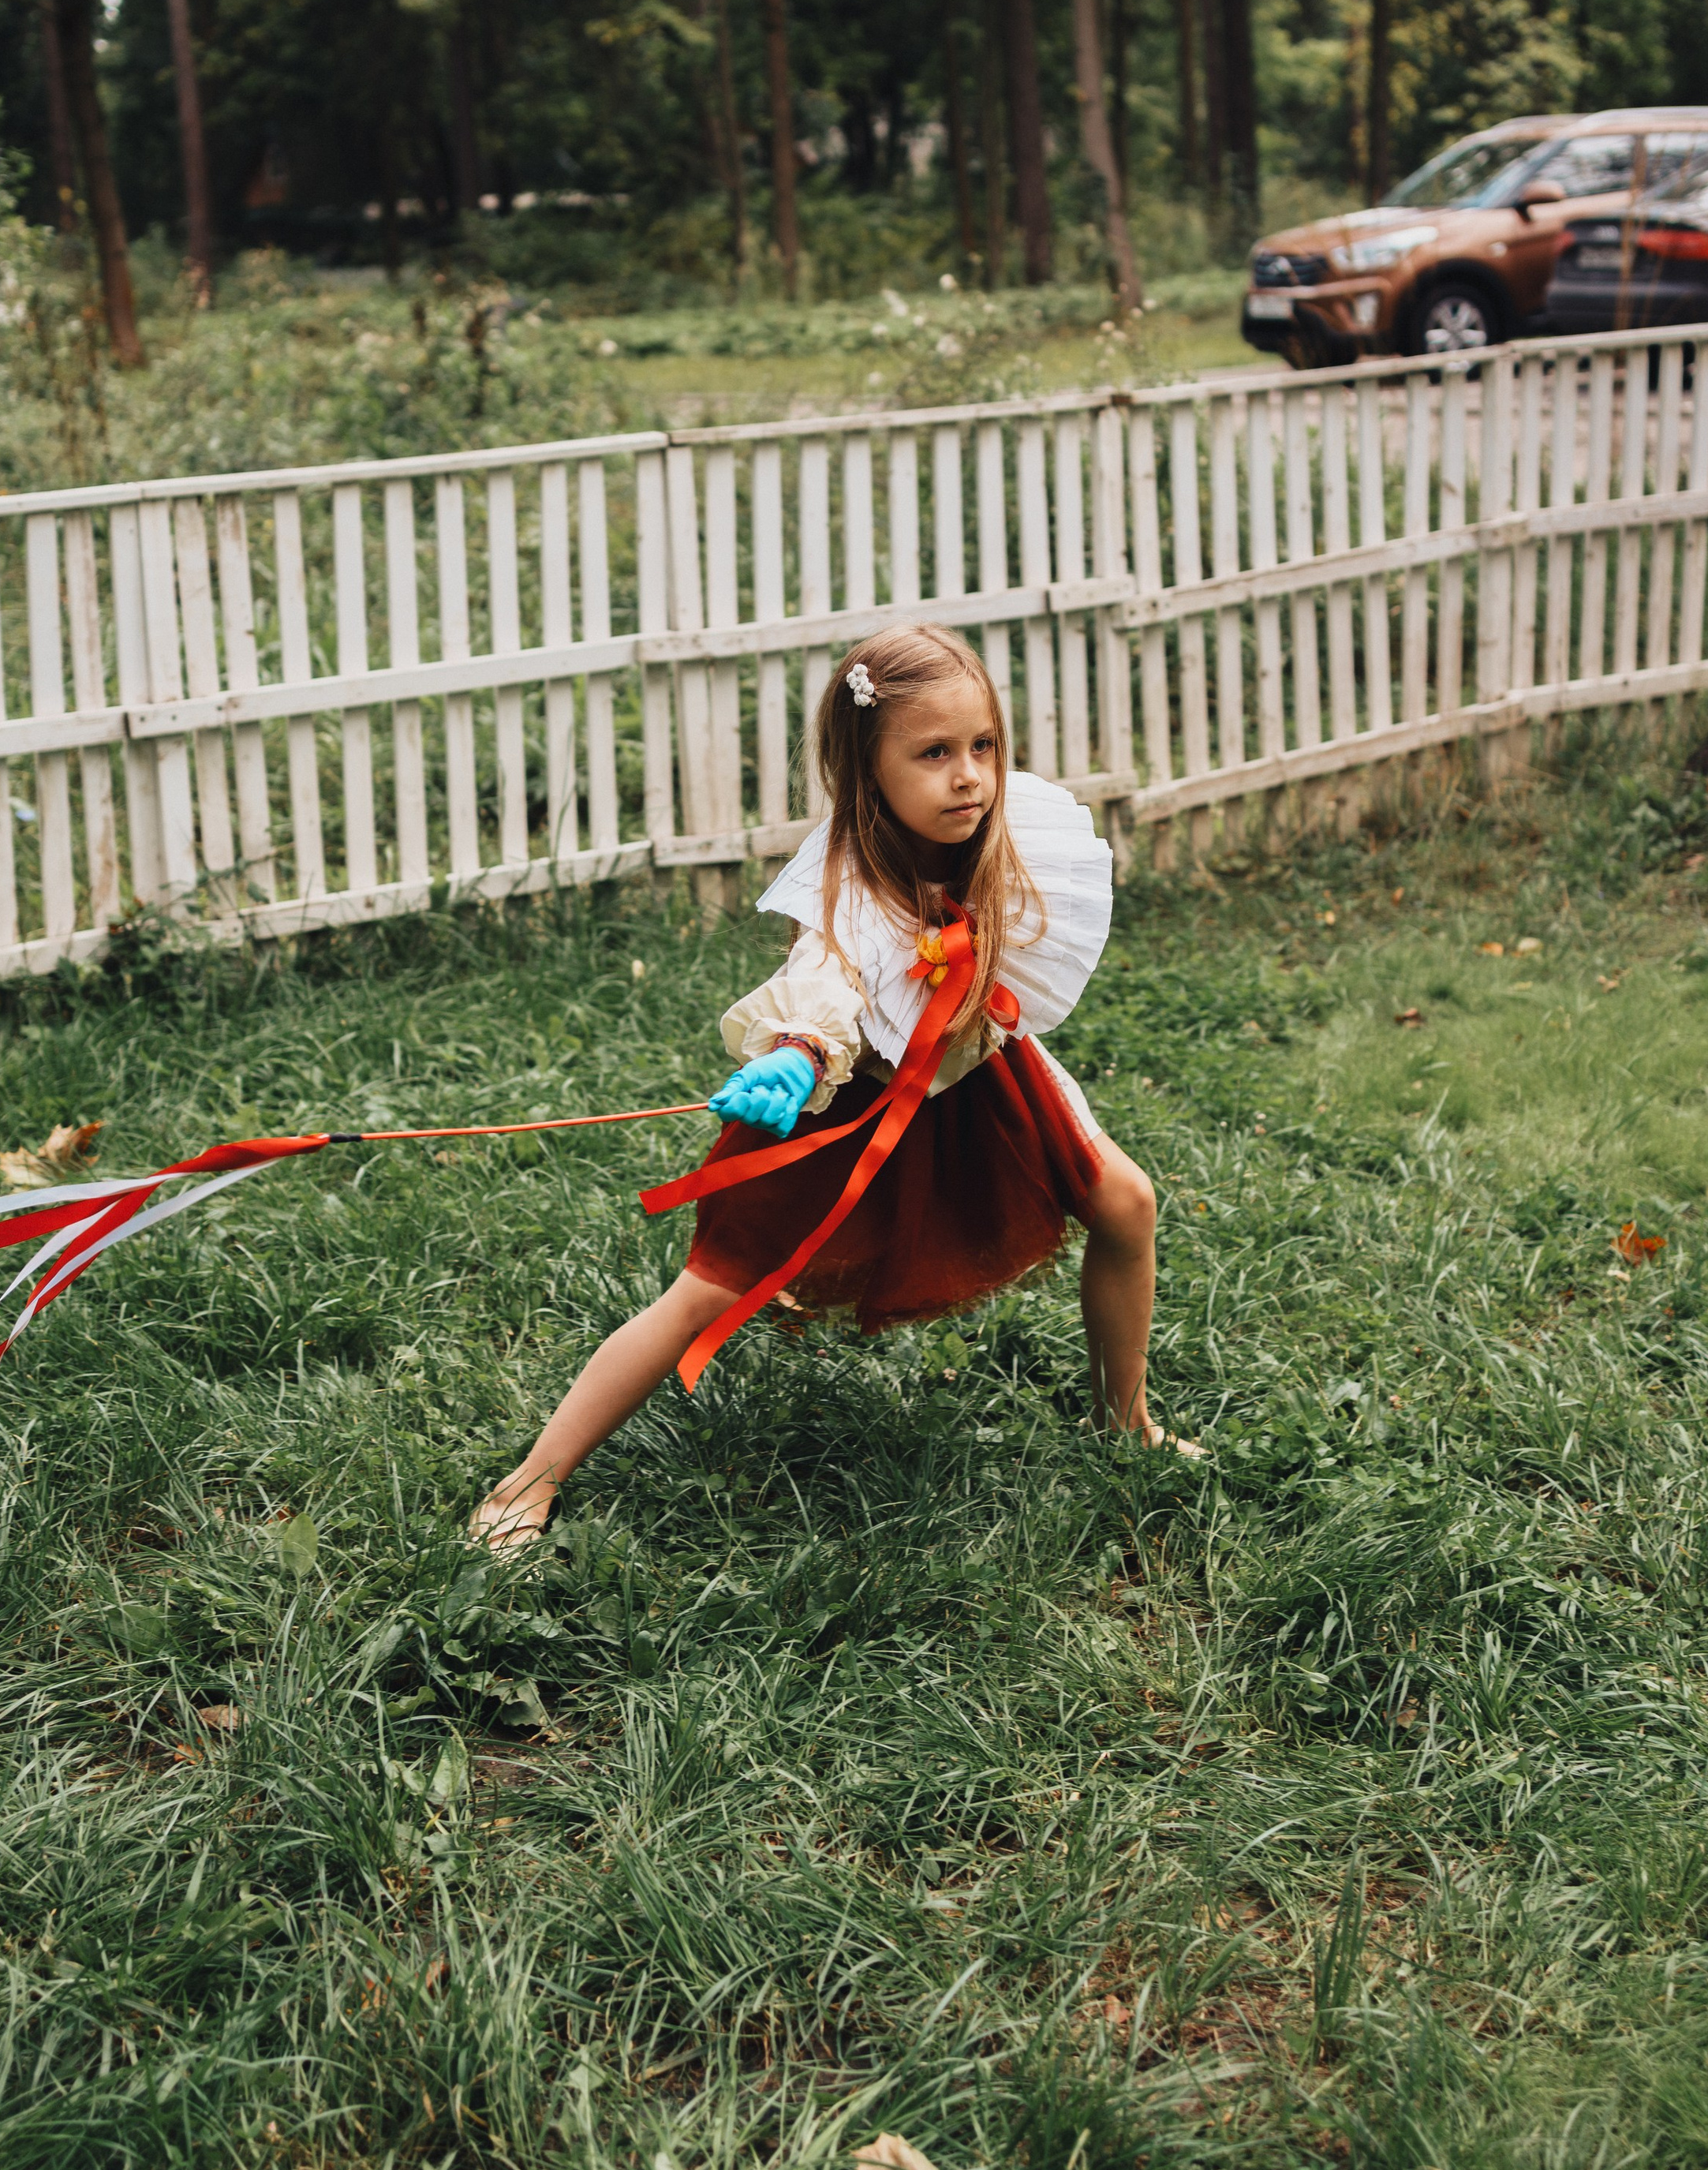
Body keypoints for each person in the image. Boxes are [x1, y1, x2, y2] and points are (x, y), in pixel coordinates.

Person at [469, 623, 1194, 1548]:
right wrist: (797, 1054)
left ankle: (1122, 1419)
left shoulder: (1007, 834)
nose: (968, 774)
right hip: (852, 1102)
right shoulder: (848, 891)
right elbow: (830, 986)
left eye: (983, 746)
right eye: (933, 753)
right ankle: (527, 1482)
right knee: (709, 1289)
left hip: (978, 1080)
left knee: (1127, 1204)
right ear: (867, 771)